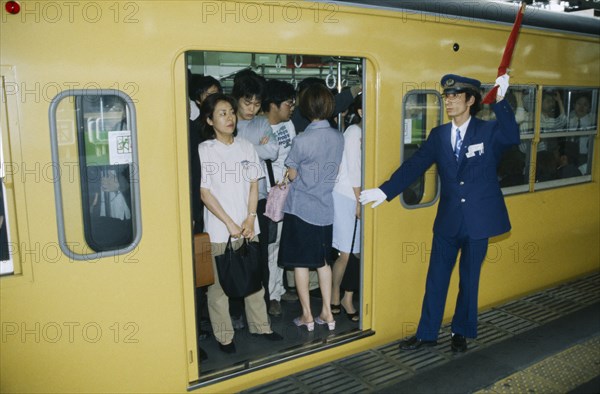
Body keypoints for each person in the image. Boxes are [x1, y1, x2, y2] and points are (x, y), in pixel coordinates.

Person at [360, 74, 519, 353]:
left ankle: (461, 331)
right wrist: (385, 192)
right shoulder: (439, 135)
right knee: (436, 279)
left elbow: (512, 136)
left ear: (471, 101)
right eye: (447, 96)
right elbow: (414, 166)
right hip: (447, 221)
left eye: (457, 96)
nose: (450, 101)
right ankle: (427, 333)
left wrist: (501, 100)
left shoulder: (488, 132)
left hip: (478, 222)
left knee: (469, 281)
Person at [198, 93, 282, 354]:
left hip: (248, 226)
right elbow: (205, 193)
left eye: (230, 112)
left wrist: (250, 217)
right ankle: (224, 336)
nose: (229, 117)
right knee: (219, 287)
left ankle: (261, 326)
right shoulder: (205, 150)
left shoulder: (246, 146)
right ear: (210, 120)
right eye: (222, 113)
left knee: (254, 280)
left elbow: (254, 185)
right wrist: (230, 224)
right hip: (220, 230)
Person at [278, 84, 344, 331]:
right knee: (323, 262)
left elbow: (293, 175)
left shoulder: (302, 139)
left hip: (301, 210)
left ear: (305, 109)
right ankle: (327, 313)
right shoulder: (338, 137)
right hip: (325, 209)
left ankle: (307, 316)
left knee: (300, 264)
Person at [231, 70, 280, 319]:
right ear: (236, 98)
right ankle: (237, 308)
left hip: (258, 197)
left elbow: (273, 150)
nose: (252, 108)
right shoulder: (227, 120)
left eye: (257, 103)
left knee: (260, 257)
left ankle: (264, 303)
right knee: (236, 256)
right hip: (232, 199)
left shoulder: (261, 123)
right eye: (247, 102)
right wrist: (256, 147)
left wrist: (245, 149)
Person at [261, 79, 300, 316]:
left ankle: (280, 288)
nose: (292, 108)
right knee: (271, 246)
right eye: (289, 103)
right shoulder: (260, 128)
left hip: (287, 192)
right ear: (274, 105)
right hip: (270, 194)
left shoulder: (289, 125)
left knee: (281, 243)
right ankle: (271, 295)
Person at [331, 94, 363, 322]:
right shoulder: (354, 132)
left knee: (356, 252)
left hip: (358, 194)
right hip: (346, 195)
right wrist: (358, 200)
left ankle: (347, 297)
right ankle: (335, 296)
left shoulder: (368, 133)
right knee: (346, 252)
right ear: (360, 112)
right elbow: (352, 169)